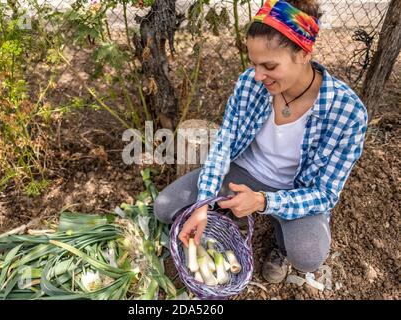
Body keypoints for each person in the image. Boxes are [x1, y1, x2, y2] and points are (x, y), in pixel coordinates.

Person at [154, 0, 368, 284]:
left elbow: (326, 194)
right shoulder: (250, 83)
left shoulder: (348, 112)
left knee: (307, 255)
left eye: (269, 65)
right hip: (244, 172)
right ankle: (226, 210)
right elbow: (224, 144)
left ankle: (278, 234)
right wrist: (203, 202)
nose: (257, 75)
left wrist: (265, 201)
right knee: (164, 208)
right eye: (253, 63)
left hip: (297, 189)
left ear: (303, 54)